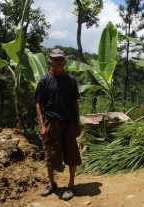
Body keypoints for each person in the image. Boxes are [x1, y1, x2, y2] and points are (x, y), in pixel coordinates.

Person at [35, 48, 81, 201]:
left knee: (72, 154)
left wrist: (77, 123)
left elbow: (75, 103)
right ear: (50, 62)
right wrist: (42, 125)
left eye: (61, 59)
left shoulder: (71, 80)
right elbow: (38, 104)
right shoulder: (44, 80)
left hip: (68, 122)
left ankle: (71, 185)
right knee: (50, 154)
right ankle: (52, 183)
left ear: (65, 61)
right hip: (51, 123)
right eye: (56, 59)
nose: (59, 61)